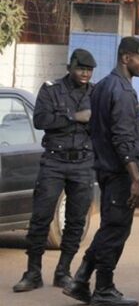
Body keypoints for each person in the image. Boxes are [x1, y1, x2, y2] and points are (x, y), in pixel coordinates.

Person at [63, 37, 139, 306]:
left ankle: (81, 279)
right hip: (120, 172)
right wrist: (135, 178)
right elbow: (123, 139)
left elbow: (97, 128)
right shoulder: (121, 91)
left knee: (110, 228)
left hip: (105, 169)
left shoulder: (102, 87)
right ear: (126, 58)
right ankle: (103, 288)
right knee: (116, 231)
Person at [13, 49, 98, 293]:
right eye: (81, 69)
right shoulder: (51, 90)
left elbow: (100, 126)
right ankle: (33, 272)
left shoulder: (95, 93)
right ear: (70, 67)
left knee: (76, 220)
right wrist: (74, 117)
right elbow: (41, 121)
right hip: (54, 161)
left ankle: (63, 271)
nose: (84, 74)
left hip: (83, 163)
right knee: (40, 217)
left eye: (89, 70)